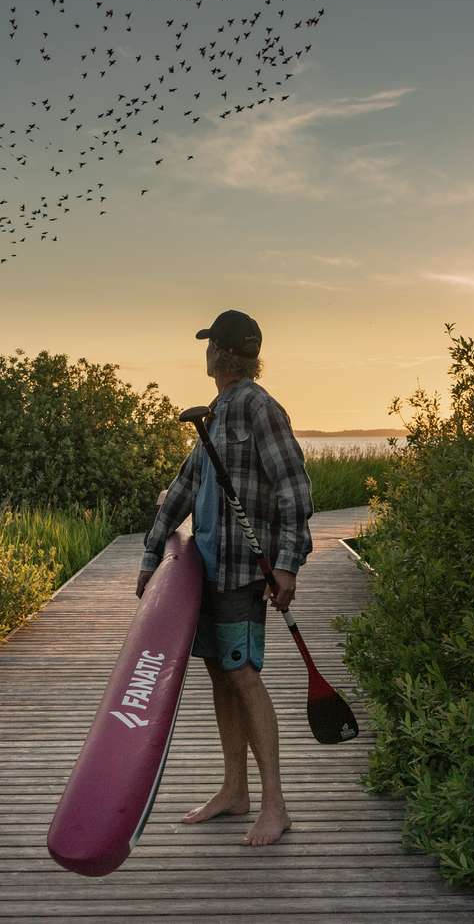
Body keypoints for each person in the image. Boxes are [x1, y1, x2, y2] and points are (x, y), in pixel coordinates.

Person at [136, 309, 314, 847]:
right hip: (207, 573)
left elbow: (295, 490)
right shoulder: (215, 413)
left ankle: (275, 805)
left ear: (222, 353)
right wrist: (151, 561)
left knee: (243, 677)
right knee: (220, 675)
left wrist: (287, 563)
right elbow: (185, 487)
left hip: (241, 575)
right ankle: (235, 790)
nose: (206, 353)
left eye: (210, 344)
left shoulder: (261, 409)